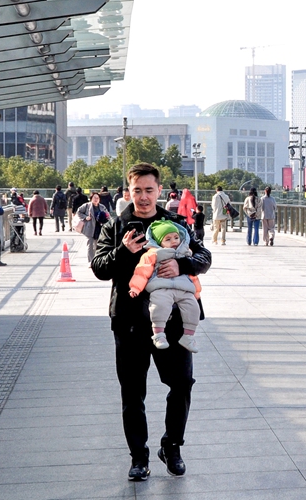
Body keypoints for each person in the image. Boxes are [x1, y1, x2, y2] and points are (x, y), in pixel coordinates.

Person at [92, 163, 211, 481]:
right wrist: (122, 252)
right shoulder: (115, 227)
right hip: (130, 322)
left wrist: (183, 265)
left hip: (173, 322)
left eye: (149, 190)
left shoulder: (176, 224)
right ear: (128, 191)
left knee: (182, 384)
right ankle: (138, 458)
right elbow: (99, 267)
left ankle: (172, 446)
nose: (143, 197)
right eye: (137, 190)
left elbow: (204, 256)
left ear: (159, 190)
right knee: (132, 393)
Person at [127, 220, 200, 353]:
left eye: (176, 237)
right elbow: (142, 272)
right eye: (168, 239)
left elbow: (192, 275)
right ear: (158, 242)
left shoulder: (185, 252)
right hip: (161, 287)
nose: (174, 241)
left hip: (184, 288)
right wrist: (135, 287)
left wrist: (197, 291)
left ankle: (188, 337)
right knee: (159, 306)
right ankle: (158, 334)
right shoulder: (153, 254)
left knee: (193, 308)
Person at [75, 192, 111, 264]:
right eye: (94, 198)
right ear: (91, 198)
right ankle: (91, 262)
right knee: (90, 246)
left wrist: (105, 219)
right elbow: (78, 212)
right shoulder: (87, 206)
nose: (96, 199)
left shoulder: (102, 207)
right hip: (90, 228)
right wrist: (85, 217)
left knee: (98, 245)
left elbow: (108, 216)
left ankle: (97, 261)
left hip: (99, 228)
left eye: (97, 198)